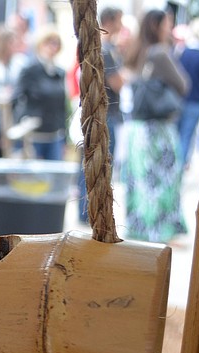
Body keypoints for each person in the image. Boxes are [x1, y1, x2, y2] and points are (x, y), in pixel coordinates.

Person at [122, 9, 189, 244]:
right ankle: (162, 231)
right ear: (157, 25)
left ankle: (141, 229)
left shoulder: (136, 50)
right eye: (167, 23)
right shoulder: (160, 53)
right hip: (159, 130)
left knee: (141, 181)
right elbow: (184, 84)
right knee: (163, 181)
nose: (169, 28)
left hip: (139, 130)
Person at [76, 7, 127, 222]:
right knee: (98, 163)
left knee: (92, 162)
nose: (121, 26)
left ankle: (86, 212)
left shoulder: (105, 48)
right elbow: (117, 82)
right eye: (119, 21)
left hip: (104, 114)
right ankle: (89, 212)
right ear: (110, 21)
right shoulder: (104, 50)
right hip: (105, 116)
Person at [12, 26, 68, 160]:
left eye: (56, 43)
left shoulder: (59, 73)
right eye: (48, 42)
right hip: (33, 135)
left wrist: (65, 137)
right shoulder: (29, 70)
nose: (52, 47)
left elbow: (62, 106)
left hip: (54, 134)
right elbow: (16, 98)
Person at [174, 22, 199, 168]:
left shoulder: (182, 53)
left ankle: (175, 165)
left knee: (177, 134)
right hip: (196, 101)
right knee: (187, 135)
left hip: (180, 99)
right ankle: (180, 167)